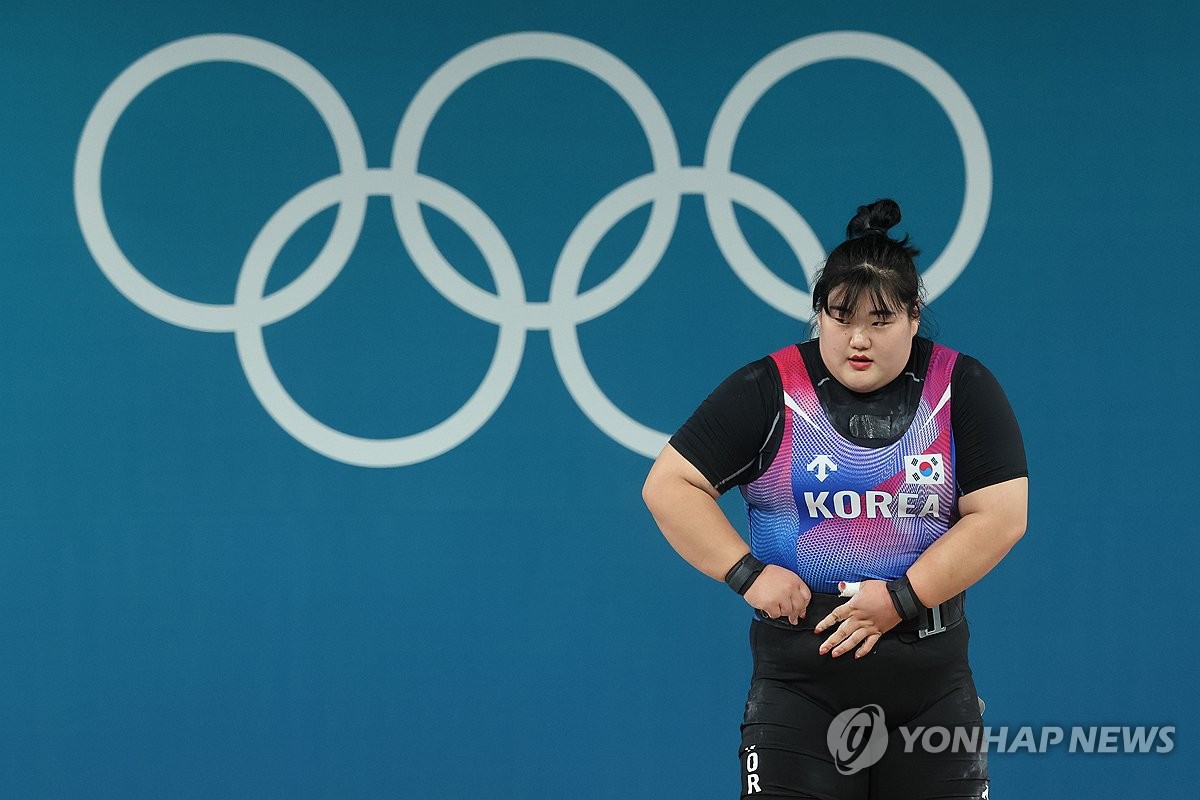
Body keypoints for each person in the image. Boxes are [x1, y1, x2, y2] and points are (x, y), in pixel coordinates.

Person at [642, 198, 1028, 799]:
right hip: (801, 688)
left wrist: (901, 598)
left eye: (881, 320)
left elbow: (1002, 516)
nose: (858, 339)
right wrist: (746, 574)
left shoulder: (962, 388)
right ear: (818, 314)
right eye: (840, 317)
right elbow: (668, 485)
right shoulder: (769, 389)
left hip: (931, 689)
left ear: (914, 317)